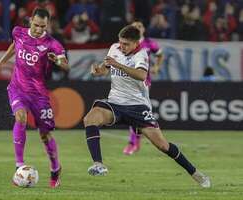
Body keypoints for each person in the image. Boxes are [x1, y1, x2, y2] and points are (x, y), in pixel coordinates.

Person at [83, 25, 211, 188]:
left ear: (136, 44)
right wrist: (97, 70)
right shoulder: (114, 48)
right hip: (115, 102)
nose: (122, 47)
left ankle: (195, 173)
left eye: (126, 44)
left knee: (163, 145)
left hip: (137, 107)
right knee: (90, 118)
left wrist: (118, 64)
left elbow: (142, 75)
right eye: (121, 42)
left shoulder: (141, 54)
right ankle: (98, 164)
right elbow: (104, 69)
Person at [0, 8, 69, 188]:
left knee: (45, 135)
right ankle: (19, 165)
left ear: (47, 24)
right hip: (17, 88)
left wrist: (56, 60)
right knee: (21, 117)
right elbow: (14, 46)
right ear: (30, 20)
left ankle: (55, 168)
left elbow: (65, 65)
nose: (39, 29)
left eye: (43, 26)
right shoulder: (18, 32)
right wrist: (0, 62)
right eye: (36, 25)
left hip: (39, 95)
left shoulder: (52, 43)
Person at [123, 20, 164, 155]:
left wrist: (157, 66)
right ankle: (134, 142)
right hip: (129, 81)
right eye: (135, 26)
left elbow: (160, 54)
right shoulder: (127, 43)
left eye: (140, 26)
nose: (137, 28)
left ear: (144, 29)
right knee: (133, 112)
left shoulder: (148, 43)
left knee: (136, 112)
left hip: (144, 82)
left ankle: (134, 142)